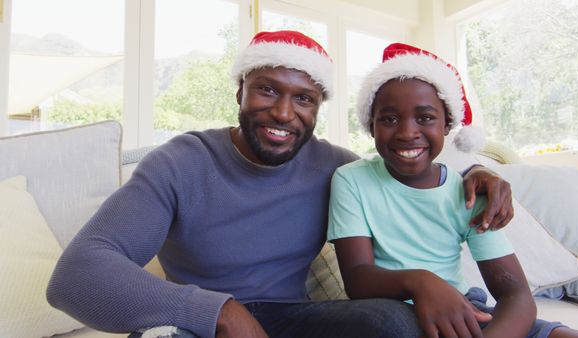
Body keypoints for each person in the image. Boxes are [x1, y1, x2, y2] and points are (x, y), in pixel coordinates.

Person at [47, 31, 514, 338]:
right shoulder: (181, 161)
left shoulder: (335, 168)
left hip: (295, 319)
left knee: (391, 322)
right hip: (199, 326)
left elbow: (406, 167)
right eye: (268, 89)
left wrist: (476, 173)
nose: (284, 113)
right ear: (240, 92)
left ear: (317, 108)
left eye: (304, 99)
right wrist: (219, 311)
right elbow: (76, 276)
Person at [327, 42, 578, 338]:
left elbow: (516, 297)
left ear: (447, 124)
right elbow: (357, 279)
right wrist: (422, 282)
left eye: (425, 117)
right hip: (390, 315)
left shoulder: (470, 192)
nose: (407, 132)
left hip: (464, 311)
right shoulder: (351, 180)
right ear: (371, 126)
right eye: (390, 119)